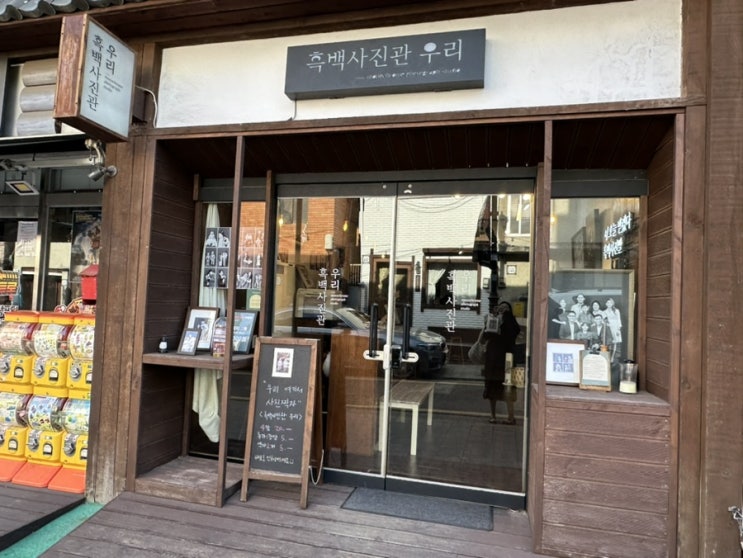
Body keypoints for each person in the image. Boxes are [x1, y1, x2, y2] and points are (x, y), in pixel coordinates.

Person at [481, 301, 520, 425]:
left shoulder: (511, 322)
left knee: (508, 388)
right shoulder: (493, 320)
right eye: (500, 307)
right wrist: (491, 320)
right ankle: (493, 416)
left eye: (505, 308)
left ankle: (511, 417)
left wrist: (506, 316)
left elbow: (513, 332)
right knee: (492, 388)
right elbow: (485, 336)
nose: (502, 309)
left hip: (506, 360)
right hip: (493, 359)